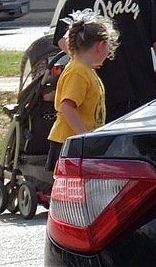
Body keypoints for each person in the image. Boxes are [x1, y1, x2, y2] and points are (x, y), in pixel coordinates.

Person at [47, 10, 118, 172]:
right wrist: (83, 136)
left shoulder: (86, 70)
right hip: (69, 143)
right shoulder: (78, 72)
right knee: (71, 191)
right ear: (100, 46)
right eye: (109, 46)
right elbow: (67, 106)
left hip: (77, 142)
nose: (109, 52)